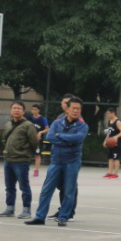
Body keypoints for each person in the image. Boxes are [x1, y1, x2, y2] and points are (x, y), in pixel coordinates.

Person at [27, 96, 87, 227]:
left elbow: (78, 138)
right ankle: (40, 217)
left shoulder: (83, 126)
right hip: (56, 162)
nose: (76, 111)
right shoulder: (57, 123)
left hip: (72, 161)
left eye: (78, 109)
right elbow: (50, 137)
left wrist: (59, 136)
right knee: (46, 189)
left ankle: (63, 217)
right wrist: (68, 140)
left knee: (69, 191)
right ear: (67, 109)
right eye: (73, 108)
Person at [0, 101, 39, 219]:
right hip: (8, 159)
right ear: (10, 110)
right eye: (14, 108)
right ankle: (10, 208)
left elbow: (34, 142)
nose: (16, 110)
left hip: (21, 160)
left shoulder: (28, 125)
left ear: (23, 111)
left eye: (19, 108)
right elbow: (4, 139)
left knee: (24, 186)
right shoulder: (8, 124)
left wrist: (24, 152)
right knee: (9, 186)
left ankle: (26, 210)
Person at [101, 108, 121, 179]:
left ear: (113, 113)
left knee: (116, 158)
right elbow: (109, 132)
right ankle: (110, 172)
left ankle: (116, 173)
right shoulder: (109, 121)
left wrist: (116, 137)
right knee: (110, 157)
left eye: (108, 113)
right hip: (110, 142)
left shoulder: (118, 122)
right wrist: (105, 140)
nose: (107, 115)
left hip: (117, 143)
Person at [28, 103, 48, 177]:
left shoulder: (43, 119)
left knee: (37, 155)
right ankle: (25, 168)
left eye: (35, 109)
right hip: (29, 139)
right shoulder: (29, 118)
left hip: (38, 140)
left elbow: (47, 129)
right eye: (32, 109)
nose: (34, 111)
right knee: (27, 154)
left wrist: (40, 132)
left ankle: (36, 170)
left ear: (38, 110)